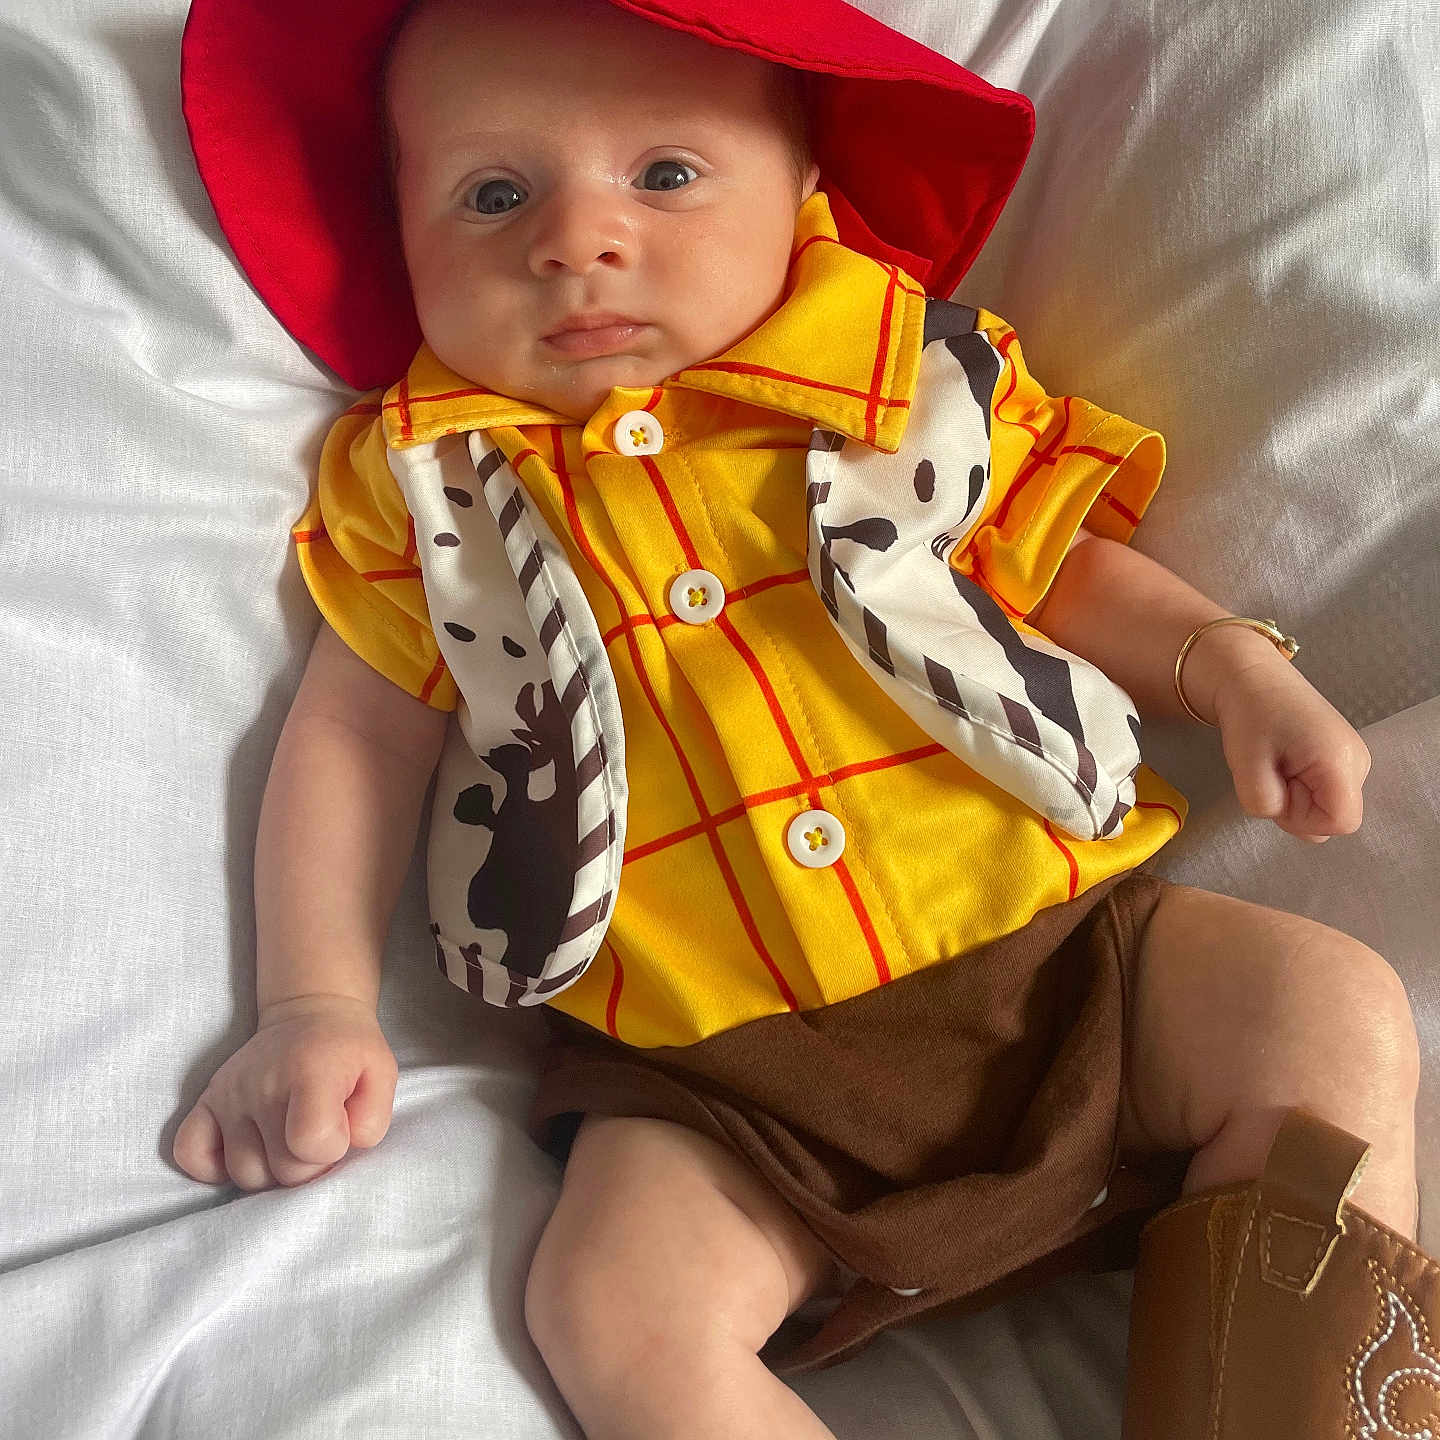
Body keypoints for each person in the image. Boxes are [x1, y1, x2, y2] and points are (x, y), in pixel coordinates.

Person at [173, 1, 1435, 1435]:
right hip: (727, 1098)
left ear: (804, 191)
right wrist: (312, 1004)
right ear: (398, 236)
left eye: (664, 176)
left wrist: (1232, 669)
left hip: (1075, 971)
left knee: (1325, 1010)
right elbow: (354, 739)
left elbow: (1061, 563)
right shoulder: (427, 492)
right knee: (611, 1310)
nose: (575, 239)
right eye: (493, 193)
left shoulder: (900, 381)